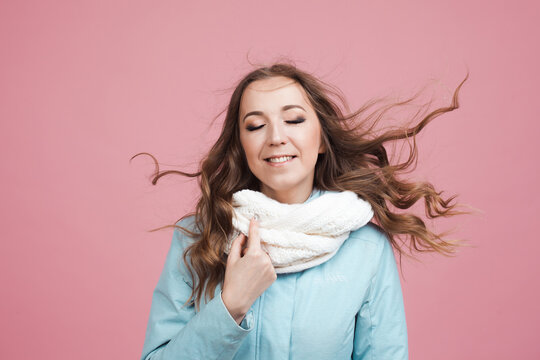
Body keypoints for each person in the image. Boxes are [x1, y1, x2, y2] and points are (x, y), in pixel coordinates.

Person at [135, 61, 471, 360]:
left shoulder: (366, 248)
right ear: (241, 146)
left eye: (294, 120)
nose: (276, 137)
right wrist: (231, 305)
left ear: (322, 140)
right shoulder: (198, 236)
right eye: (255, 126)